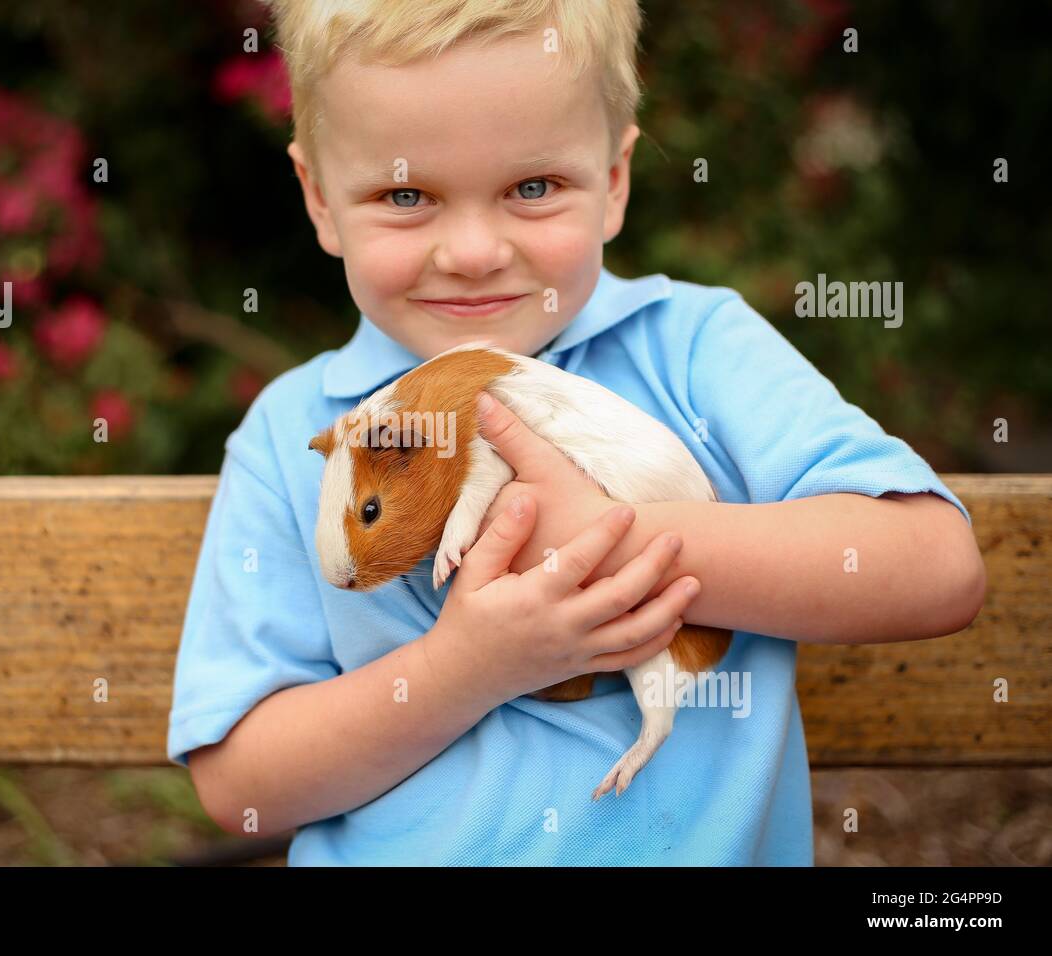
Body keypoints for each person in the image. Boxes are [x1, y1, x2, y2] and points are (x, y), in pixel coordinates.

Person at [167, 0, 986, 864]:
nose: (475, 251)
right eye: (406, 195)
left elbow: (934, 568)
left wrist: (607, 537)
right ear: (321, 201)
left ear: (615, 181)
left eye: (533, 188)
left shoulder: (697, 350)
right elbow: (240, 786)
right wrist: (467, 668)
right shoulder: (301, 435)